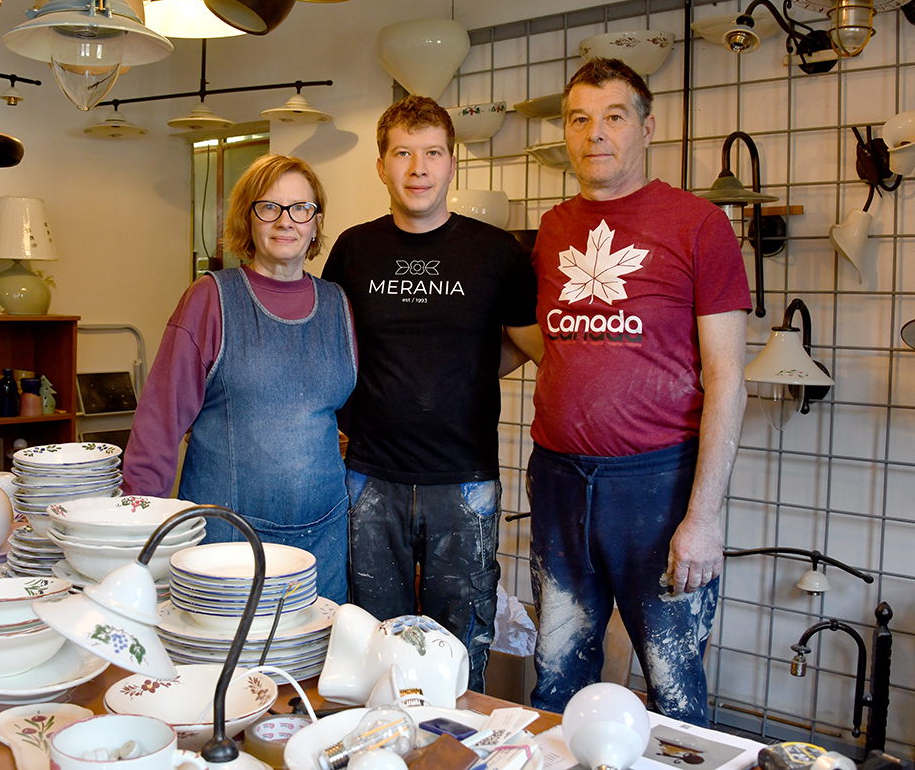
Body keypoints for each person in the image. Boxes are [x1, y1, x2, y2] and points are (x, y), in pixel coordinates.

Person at [526, 58, 750, 726]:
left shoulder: (698, 224)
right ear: (566, 133)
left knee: (674, 689)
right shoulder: (552, 229)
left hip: (658, 486)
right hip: (560, 480)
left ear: (647, 128)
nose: (596, 133)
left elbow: (729, 375)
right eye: (580, 119)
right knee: (557, 673)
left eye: (614, 116)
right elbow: (554, 344)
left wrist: (703, 516)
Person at [321, 95, 541, 691]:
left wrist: (467, 371)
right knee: (375, 639)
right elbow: (330, 345)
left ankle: (452, 745)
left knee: (458, 645)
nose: (418, 168)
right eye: (403, 153)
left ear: (452, 165)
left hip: (464, 481)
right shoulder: (353, 249)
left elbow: (532, 341)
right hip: (371, 477)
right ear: (381, 166)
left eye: (433, 154)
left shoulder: (497, 253)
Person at [122, 154, 356, 603]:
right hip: (228, 541)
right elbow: (159, 422)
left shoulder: (337, 305)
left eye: (300, 208)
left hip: (324, 541)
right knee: (232, 668)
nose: (285, 221)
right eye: (269, 207)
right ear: (247, 218)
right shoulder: (210, 299)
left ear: (316, 221)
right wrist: (134, 528)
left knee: (310, 668)